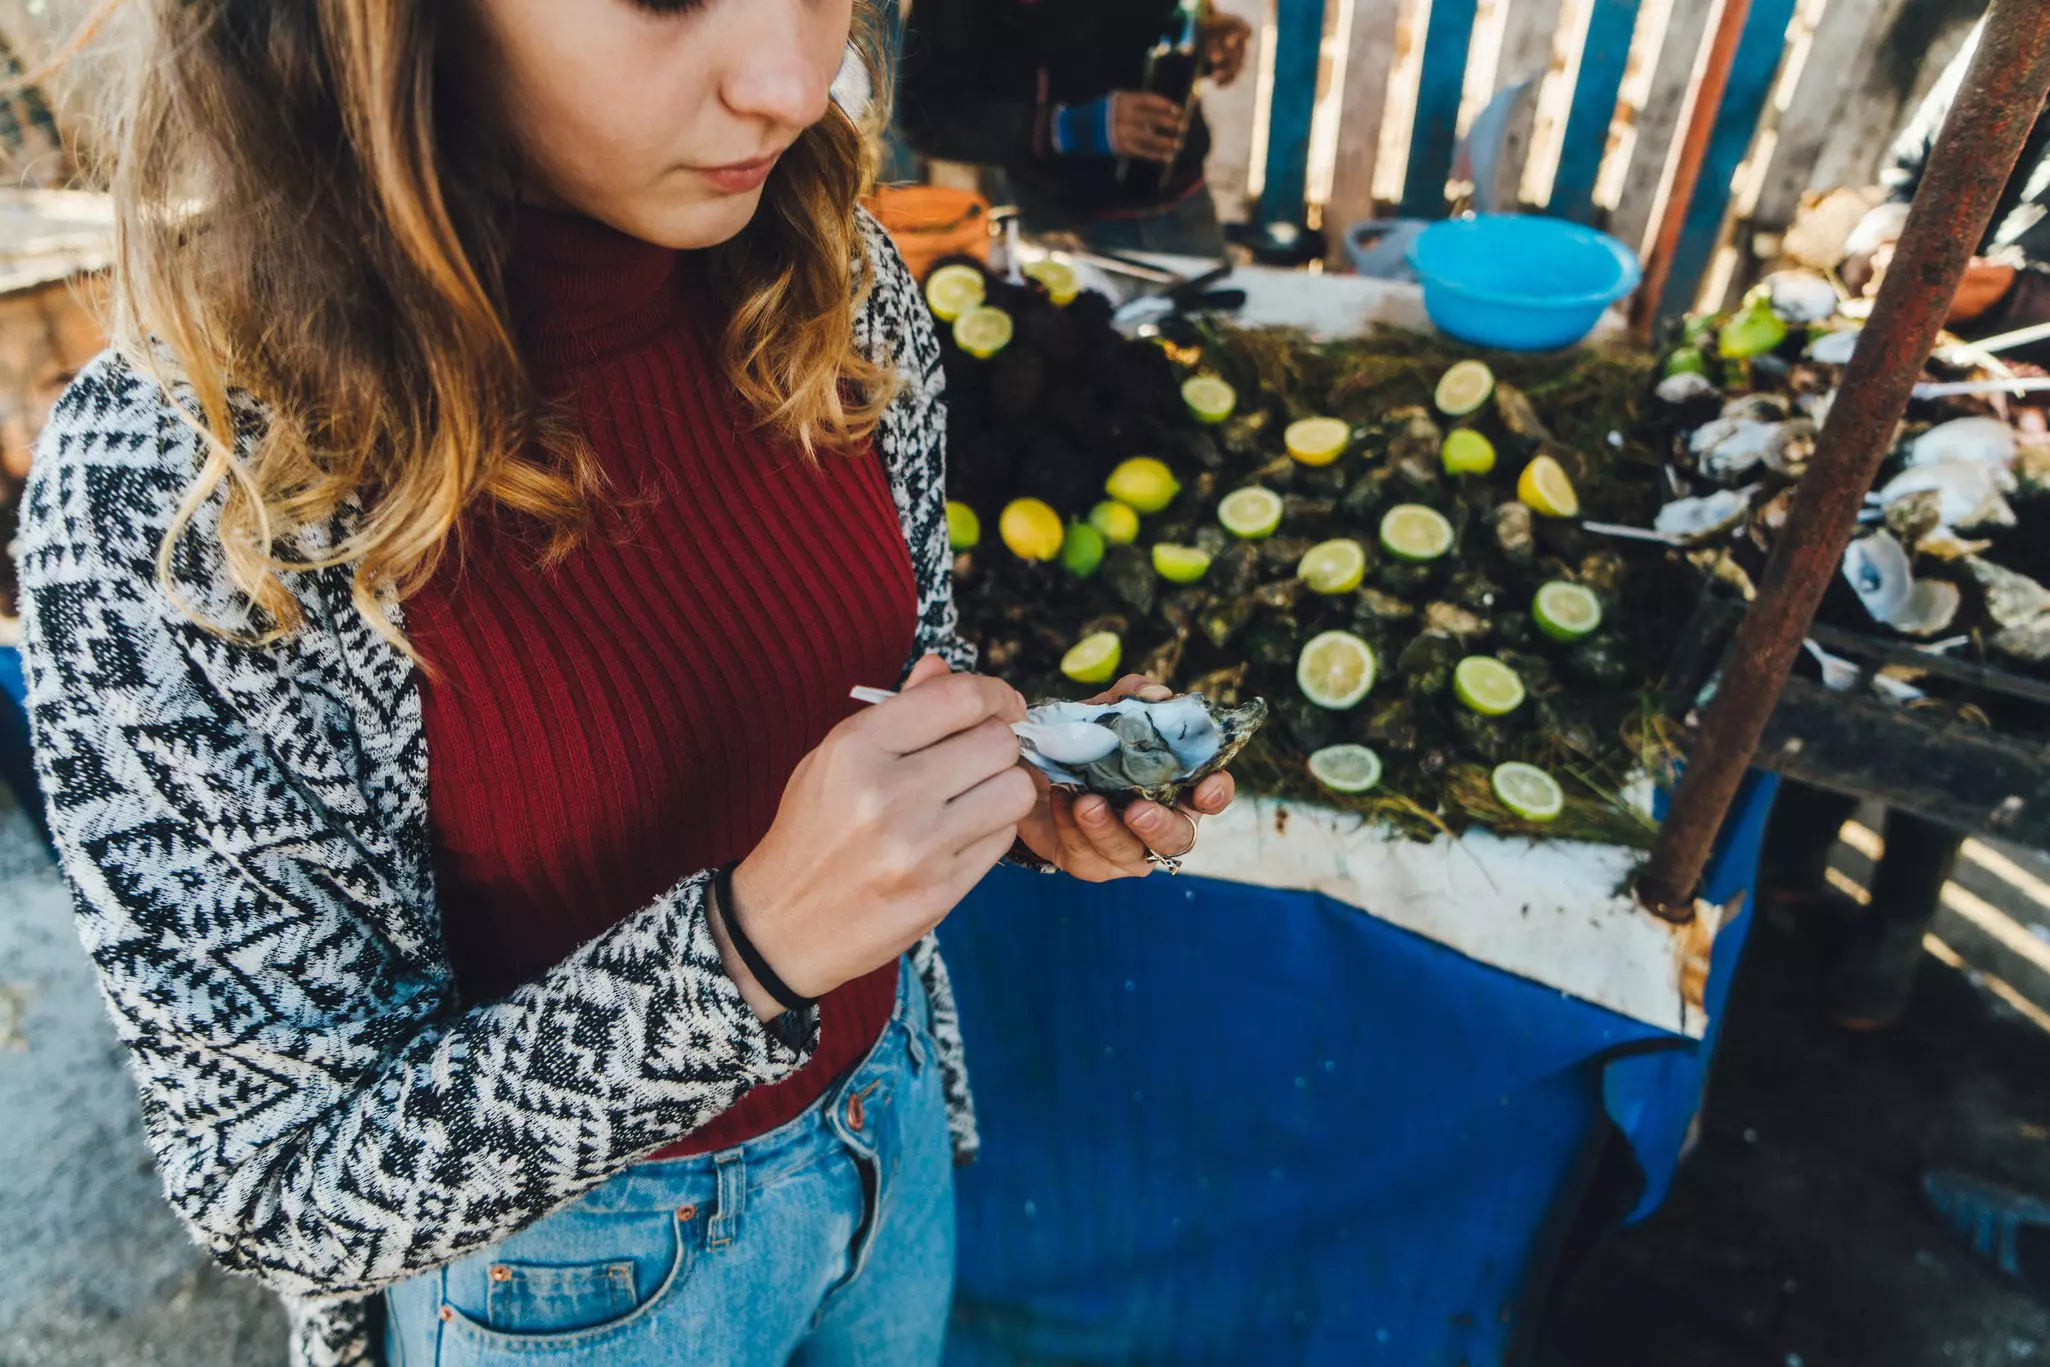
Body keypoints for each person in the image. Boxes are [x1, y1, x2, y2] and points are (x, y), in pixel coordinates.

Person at [16, 3, 1236, 1365]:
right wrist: (746, 952)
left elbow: (882, 685)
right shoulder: (172, 492)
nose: (793, 80)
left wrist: (1003, 788)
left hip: (883, 1126)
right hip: (569, 1275)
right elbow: (272, 1172)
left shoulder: (836, 274)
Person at [1760, 19, 2050, 1029]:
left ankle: (1899, 914)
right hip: (1930, 388)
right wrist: (1892, 236)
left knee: (1977, 688)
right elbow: (1906, 171)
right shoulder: (2016, 31)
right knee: (1844, 630)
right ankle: (1791, 861)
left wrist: (2017, 288)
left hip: (2037, 467)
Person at [895, 0, 1252, 257]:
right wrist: (1066, 127)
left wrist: (1208, 38)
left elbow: (1179, 19)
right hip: (1061, 226)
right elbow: (926, 118)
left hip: (1184, 207)